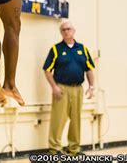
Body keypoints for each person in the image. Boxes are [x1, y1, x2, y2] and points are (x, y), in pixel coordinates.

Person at [42, 20, 95, 156]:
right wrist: (54, 87)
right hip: (61, 89)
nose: (66, 31)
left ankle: (74, 149)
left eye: (68, 29)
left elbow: (89, 70)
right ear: (61, 33)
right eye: (63, 30)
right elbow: (47, 70)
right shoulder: (56, 49)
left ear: (73, 31)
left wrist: (91, 87)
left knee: (76, 120)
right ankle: (54, 149)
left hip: (78, 89)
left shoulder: (82, 49)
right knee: (58, 120)